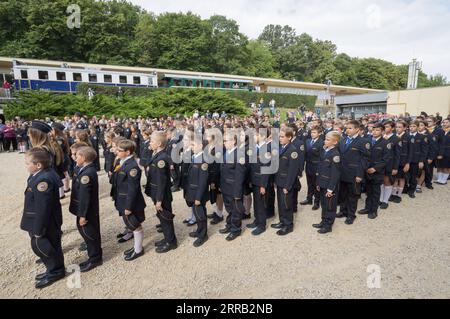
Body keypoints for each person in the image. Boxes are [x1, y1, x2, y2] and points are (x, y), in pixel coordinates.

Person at [21, 148, 65, 289]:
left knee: (46, 247)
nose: (26, 165)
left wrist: (39, 229)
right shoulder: (41, 174)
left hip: (45, 222)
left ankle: (56, 271)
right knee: (49, 246)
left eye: (28, 163)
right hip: (46, 220)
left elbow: (43, 208)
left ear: (38, 165)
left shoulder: (43, 180)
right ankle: (52, 269)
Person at [69, 146, 102, 272]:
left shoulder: (87, 174)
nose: (74, 158)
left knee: (90, 234)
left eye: (77, 156)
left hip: (87, 212)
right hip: (84, 210)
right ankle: (92, 256)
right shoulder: (84, 169)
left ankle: (95, 259)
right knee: (87, 234)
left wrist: (83, 215)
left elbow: (85, 197)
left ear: (83, 158)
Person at [113, 139, 147, 261]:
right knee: (131, 225)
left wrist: (128, 207)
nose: (116, 151)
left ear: (128, 152)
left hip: (130, 203)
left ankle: (138, 250)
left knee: (135, 225)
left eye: (119, 150)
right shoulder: (122, 162)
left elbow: (133, 189)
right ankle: (136, 247)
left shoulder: (132, 167)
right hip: (123, 200)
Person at [145, 131, 178, 253]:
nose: (150, 143)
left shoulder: (162, 159)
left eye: (152, 141)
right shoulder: (157, 154)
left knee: (165, 218)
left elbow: (162, 182)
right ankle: (167, 238)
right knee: (161, 217)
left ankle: (171, 242)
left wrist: (159, 200)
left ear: (159, 143)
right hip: (156, 192)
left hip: (161, 195)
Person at [339, 120, 370, 225]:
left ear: (357, 129)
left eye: (350, 128)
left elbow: (364, 160)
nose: (347, 130)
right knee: (343, 194)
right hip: (342, 173)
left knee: (352, 195)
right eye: (347, 128)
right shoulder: (342, 140)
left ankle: (351, 215)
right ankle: (343, 211)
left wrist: (359, 174)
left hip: (354, 174)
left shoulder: (363, 142)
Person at [271, 126, 300, 236]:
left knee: (287, 204)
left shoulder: (292, 150)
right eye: (279, 137)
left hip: (286, 183)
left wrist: (287, 186)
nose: (280, 139)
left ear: (289, 137)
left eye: (282, 137)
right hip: (279, 180)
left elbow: (293, 171)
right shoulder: (281, 147)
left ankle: (288, 225)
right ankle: (282, 221)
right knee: (281, 203)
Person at [219, 130, 247, 241]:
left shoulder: (239, 155)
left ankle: (236, 229)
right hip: (225, 187)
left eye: (225, 141)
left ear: (234, 141)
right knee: (229, 209)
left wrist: (237, 193)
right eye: (223, 141)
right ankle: (229, 225)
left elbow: (240, 176)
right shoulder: (226, 152)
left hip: (234, 189)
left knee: (236, 210)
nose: (223, 143)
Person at [313, 131, 341, 234]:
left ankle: (328, 225)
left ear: (335, 142)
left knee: (330, 205)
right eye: (325, 139)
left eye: (328, 140)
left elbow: (335, 174)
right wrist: (318, 183)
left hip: (329, 185)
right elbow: (320, 168)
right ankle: (323, 221)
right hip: (322, 182)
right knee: (324, 204)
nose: (325, 141)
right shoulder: (325, 150)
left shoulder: (335, 154)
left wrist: (331, 188)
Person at [362, 123, 391, 219]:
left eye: (377, 130)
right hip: (367, 170)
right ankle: (367, 207)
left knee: (375, 192)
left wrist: (375, 168)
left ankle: (373, 210)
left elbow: (386, 159)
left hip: (377, 172)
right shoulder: (368, 141)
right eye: (373, 129)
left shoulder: (385, 143)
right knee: (368, 191)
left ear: (382, 131)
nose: (374, 131)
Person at [185, 137, 210, 247]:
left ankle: (203, 235)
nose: (191, 147)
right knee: (196, 212)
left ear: (200, 146)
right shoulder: (194, 157)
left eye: (193, 145)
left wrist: (198, 198)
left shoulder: (203, 160)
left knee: (200, 214)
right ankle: (199, 230)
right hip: (192, 191)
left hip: (198, 194)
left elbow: (203, 182)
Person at [301, 126, 324, 210]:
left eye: (314, 133)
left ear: (319, 133)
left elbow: (322, 157)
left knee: (316, 184)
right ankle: (309, 199)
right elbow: (304, 154)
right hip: (309, 165)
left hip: (316, 166)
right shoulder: (307, 141)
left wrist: (320, 169)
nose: (312, 134)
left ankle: (317, 201)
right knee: (309, 183)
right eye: (311, 132)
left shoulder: (322, 142)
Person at [436, 118, 450, 184]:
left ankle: (444, 180)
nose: (444, 124)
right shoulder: (440, 131)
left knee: (446, 167)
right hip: (439, 151)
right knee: (439, 166)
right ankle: (439, 179)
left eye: (446, 122)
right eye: (444, 122)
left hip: (448, 152)